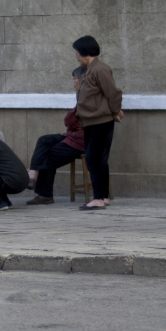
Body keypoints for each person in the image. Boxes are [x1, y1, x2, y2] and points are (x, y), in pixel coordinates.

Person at [73, 35, 123, 212]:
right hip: (91, 121)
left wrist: (115, 112)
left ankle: (98, 199)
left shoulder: (100, 69)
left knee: (94, 159)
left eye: (77, 53)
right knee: (98, 159)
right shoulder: (88, 70)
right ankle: (103, 197)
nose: (76, 56)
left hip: (100, 121)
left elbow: (113, 93)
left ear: (86, 51)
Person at [26, 66, 86, 205]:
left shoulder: (87, 97)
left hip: (79, 141)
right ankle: (32, 174)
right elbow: (71, 122)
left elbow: (69, 121)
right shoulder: (81, 95)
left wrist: (72, 120)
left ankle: (45, 195)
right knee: (44, 140)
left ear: (84, 79)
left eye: (75, 78)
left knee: (48, 156)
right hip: (71, 135)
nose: (73, 82)